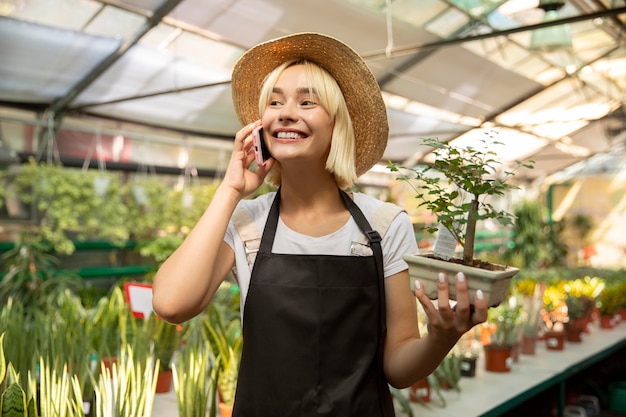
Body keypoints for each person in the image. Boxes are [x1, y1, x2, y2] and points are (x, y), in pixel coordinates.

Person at [152, 32, 488, 416]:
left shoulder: (384, 226)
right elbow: (171, 303)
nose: (285, 112)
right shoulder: (247, 221)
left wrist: (440, 339)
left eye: (307, 101)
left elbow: (397, 368)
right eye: (274, 102)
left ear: (337, 125)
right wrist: (231, 190)